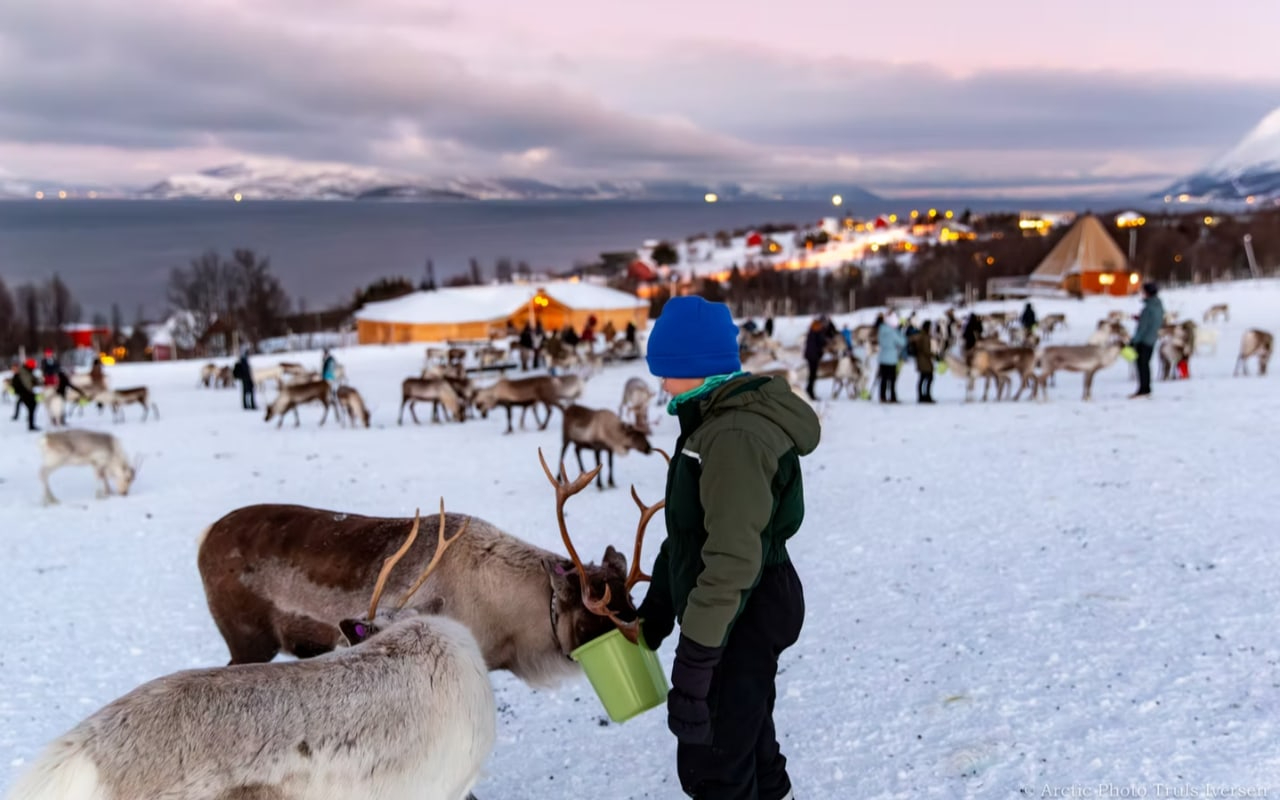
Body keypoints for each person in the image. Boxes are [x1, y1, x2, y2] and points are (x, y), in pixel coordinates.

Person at [637, 295, 818, 800]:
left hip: (742, 610)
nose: (661, 383)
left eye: (667, 370)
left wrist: (695, 661)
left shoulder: (732, 434)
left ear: (693, 367)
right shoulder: (711, 421)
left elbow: (732, 560)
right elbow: (693, 535)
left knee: (715, 766)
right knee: (749, 742)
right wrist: (657, 608)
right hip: (737, 608)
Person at [1129, 281, 1164, 399]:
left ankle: (1143, 389)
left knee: (1141, 365)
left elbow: (1143, 328)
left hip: (1143, 341)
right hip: (1152, 338)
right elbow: (1154, 322)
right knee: (1146, 364)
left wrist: (1133, 341)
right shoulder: (1158, 306)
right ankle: (1146, 388)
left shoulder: (1148, 308)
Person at [877, 314, 906, 404]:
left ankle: (882, 396)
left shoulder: (881, 331)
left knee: (883, 379)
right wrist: (900, 333)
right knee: (892, 379)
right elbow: (902, 342)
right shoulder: (892, 332)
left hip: (882, 357)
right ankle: (892, 396)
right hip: (892, 358)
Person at [802, 318, 830, 400]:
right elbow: (821, 342)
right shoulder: (818, 331)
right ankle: (810, 392)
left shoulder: (812, 330)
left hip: (809, 355)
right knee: (813, 375)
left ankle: (809, 390)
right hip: (814, 356)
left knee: (812, 374)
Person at [11, 359, 39, 431]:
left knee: (31, 406)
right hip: (26, 393)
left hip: (25, 392)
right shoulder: (24, 372)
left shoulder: (26, 371)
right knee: (32, 406)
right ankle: (31, 425)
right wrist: (32, 386)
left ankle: (30, 423)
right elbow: (28, 384)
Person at [912, 320, 936, 403]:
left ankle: (921, 395)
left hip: (921, 360)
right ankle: (926, 396)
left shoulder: (920, 335)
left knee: (922, 378)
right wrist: (933, 355)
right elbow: (926, 350)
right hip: (925, 361)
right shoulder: (925, 337)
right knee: (929, 378)